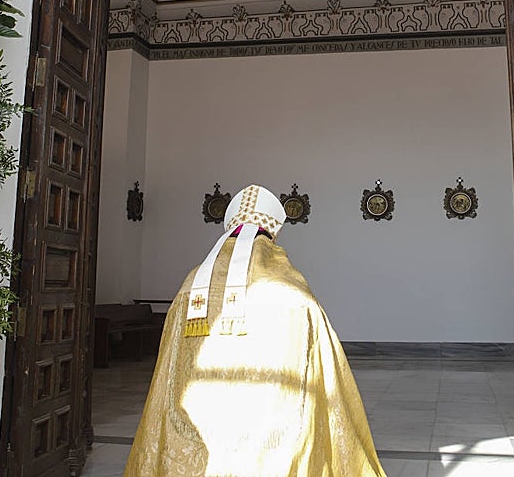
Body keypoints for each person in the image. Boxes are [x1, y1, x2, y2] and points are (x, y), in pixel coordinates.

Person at [123, 184, 386, 477]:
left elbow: (169, 366)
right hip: (268, 419)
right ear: (271, 234)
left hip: (203, 413)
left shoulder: (192, 284)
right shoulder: (289, 286)